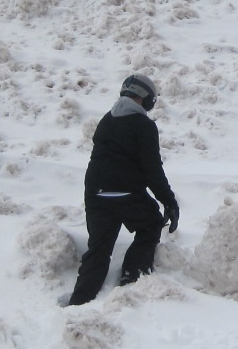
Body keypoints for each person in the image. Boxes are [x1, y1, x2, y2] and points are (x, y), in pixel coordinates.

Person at [66, 74, 181, 306]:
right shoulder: (144, 126)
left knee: (98, 250)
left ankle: (78, 304)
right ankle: (132, 282)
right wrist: (169, 202)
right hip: (128, 196)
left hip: (96, 194)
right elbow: (152, 170)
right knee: (150, 225)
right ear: (146, 99)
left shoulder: (107, 120)